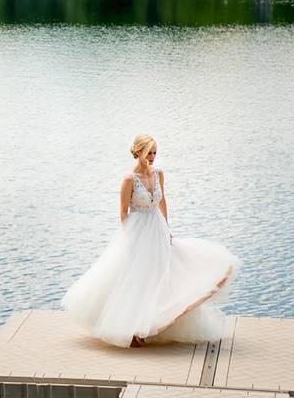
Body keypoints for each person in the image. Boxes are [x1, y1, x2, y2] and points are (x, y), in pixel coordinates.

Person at [61, 134, 239, 348]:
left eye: (155, 152)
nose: (153, 157)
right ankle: (131, 330)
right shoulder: (129, 179)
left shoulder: (158, 175)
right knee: (137, 278)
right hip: (137, 231)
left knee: (164, 272)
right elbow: (123, 212)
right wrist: (128, 238)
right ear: (139, 153)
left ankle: (154, 321)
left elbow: (162, 201)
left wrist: (167, 227)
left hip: (157, 228)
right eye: (149, 153)